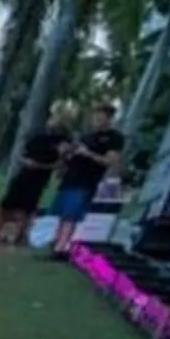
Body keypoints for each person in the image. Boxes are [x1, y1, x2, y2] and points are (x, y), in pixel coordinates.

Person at [46, 100, 125, 257]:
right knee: (62, 213)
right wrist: (66, 154)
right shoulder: (86, 136)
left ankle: (61, 247)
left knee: (71, 214)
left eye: (102, 117)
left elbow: (109, 161)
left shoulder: (114, 138)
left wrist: (88, 153)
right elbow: (71, 155)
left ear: (109, 118)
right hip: (70, 177)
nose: (98, 120)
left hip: (86, 181)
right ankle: (56, 242)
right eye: (96, 116)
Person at [0, 105, 72, 247]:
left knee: (27, 209)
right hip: (24, 174)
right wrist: (25, 161)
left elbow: (61, 165)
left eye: (58, 119)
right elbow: (21, 154)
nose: (53, 121)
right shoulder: (37, 135)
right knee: (5, 205)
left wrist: (42, 165)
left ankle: (19, 236)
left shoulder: (63, 140)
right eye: (52, 118)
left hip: (39, 178)